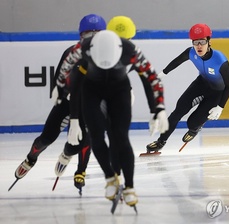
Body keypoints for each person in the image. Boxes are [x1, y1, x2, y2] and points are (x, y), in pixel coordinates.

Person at [58, 30, 168, 207]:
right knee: (95, 135)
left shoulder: (130, 50)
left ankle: (130, 186)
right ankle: (110, 177)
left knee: (121, 137)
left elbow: (152, 78)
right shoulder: (83, 47)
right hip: (92, 90)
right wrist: (62, 91)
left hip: (119, 90)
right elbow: (65, 69)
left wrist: (159, 108)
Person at [13, 14, 106, 191]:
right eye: (88, 34)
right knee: (47, 138)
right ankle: (31, 158)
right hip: (67, 102)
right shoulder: (72, 52)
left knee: (84, 138)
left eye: (97, 34)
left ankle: (80, 169)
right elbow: (58, 79)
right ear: (81, 35)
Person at [75, 15, 157, 184]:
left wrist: (155, 109)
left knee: (109, 135)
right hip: (107, 94)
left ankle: (114, 174)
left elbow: (147, 80)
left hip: (113, 93)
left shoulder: (124, 49)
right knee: (106, 135)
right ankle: (97, 171)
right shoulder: (109, 49)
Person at [146, 23, 229, 152]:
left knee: (192, 122)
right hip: (201, 84)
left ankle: (194, 129)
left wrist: (220, 107)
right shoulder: (191, 52)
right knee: (178, 111)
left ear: (209, 41)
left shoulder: (220, 60)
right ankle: (160, 142)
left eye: (202, 42)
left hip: (216, 93)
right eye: (195, 42)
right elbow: (177, 61)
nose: (199, 46)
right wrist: (163, 73)